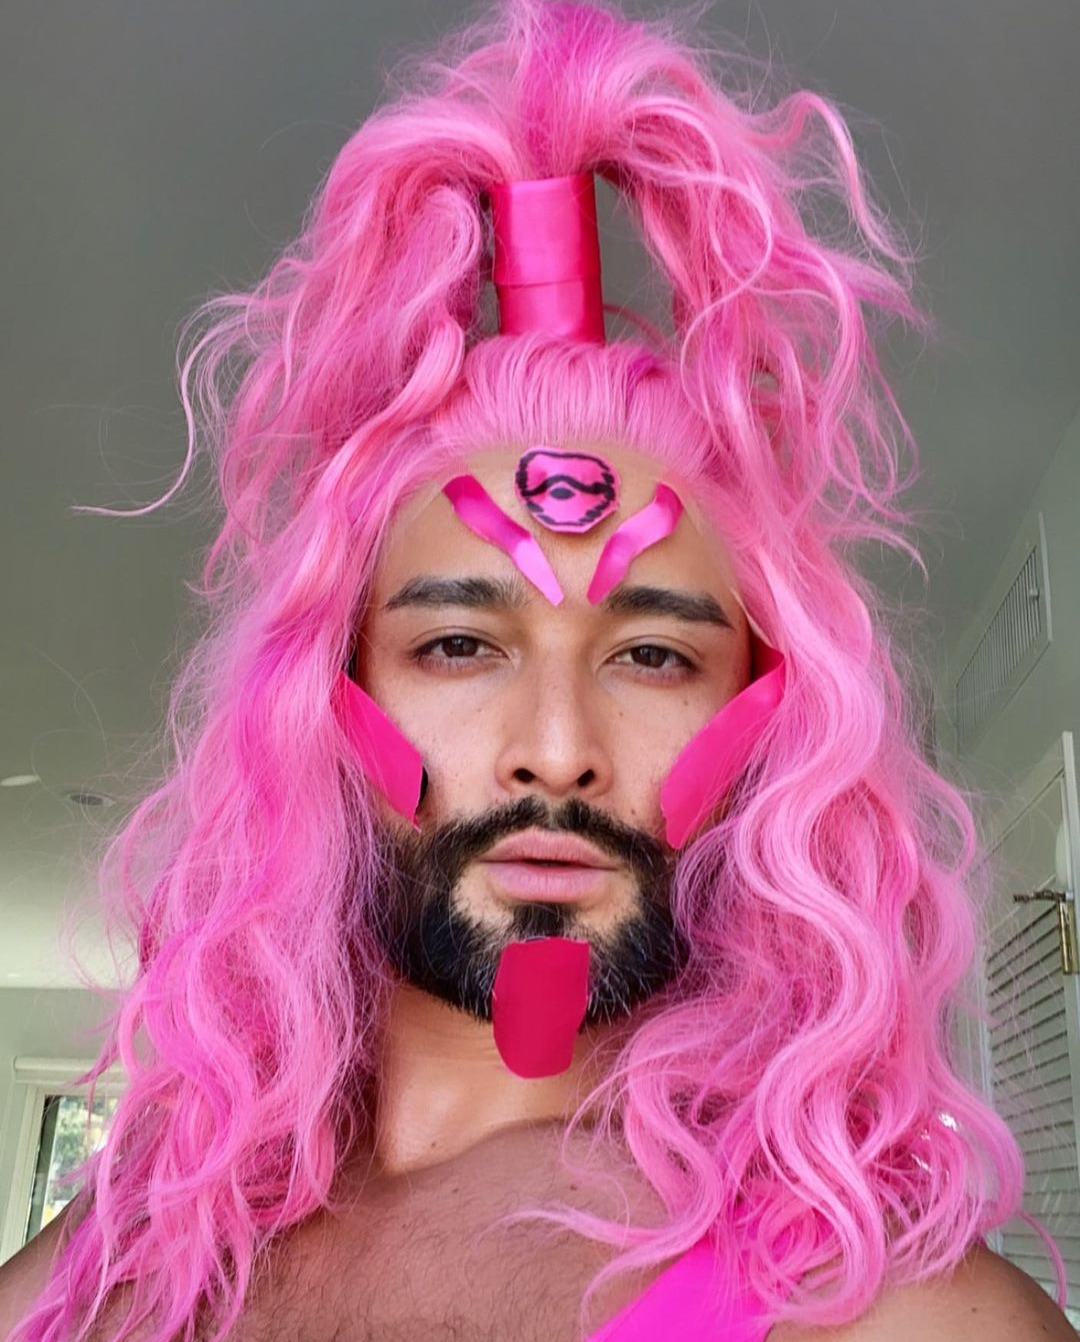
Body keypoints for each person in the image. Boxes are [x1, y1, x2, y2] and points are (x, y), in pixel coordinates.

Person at [1, 1, 1076, 1338]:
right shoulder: (117, 1261)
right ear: (324, 704)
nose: (558, 749)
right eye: (459, 644)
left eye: (653, 654)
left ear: (767, 720)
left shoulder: (898, 1317)